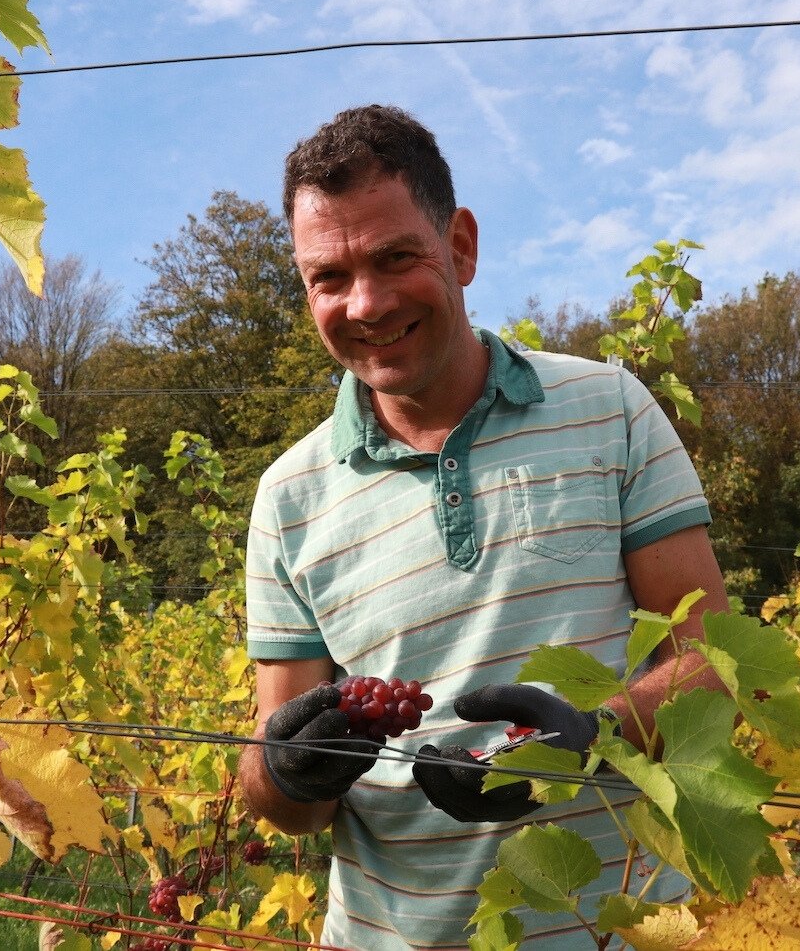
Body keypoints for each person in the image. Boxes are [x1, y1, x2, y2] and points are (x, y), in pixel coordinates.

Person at [239, 104, 729, 949]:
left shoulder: (608, 409)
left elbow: (714, 663)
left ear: (460, 246)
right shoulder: (288, 497)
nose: (366, 302)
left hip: (616, 930)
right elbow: (291, 805)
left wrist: (593, 734)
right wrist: (282, 770)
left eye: (396, 257)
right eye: (329, 277)